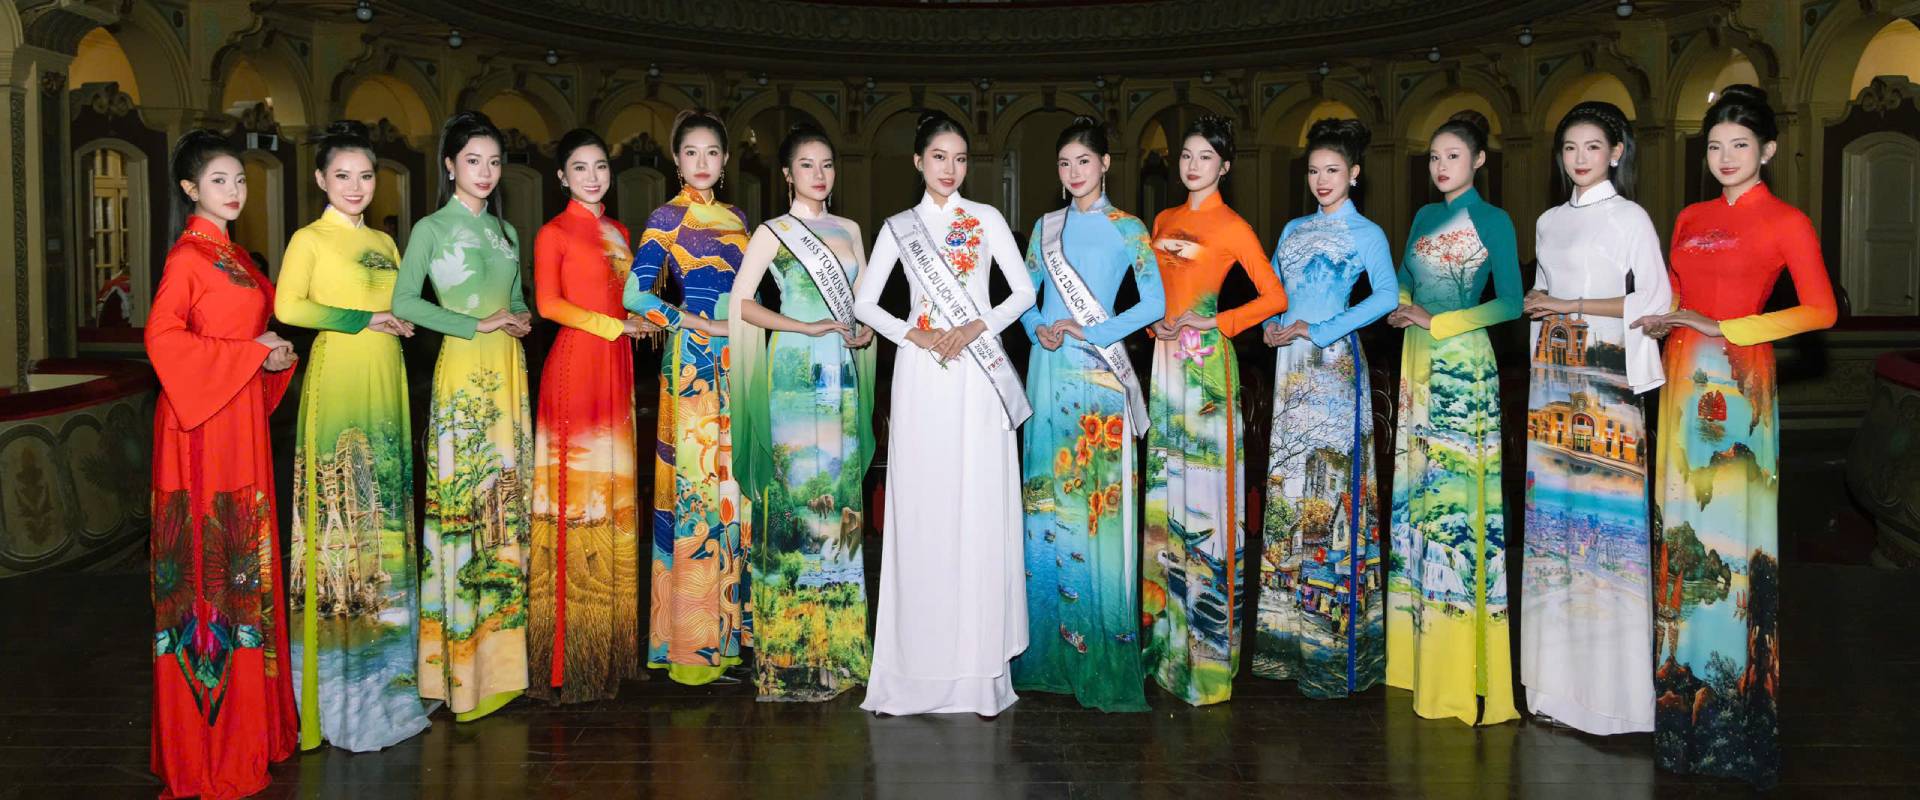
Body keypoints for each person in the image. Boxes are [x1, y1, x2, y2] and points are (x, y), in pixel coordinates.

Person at [1635, 84, 1834, 788]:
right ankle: (1677, 706)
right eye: (1715, 145)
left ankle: (1737, 717)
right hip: (1682, 374)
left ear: (1768, 150)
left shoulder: (1787, 221)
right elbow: (1677, 293)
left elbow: (1820, 310)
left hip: (1740, 379)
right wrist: (1665, 316)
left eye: (1740, 145)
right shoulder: (1689, 217)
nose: (1725, 157)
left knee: (1731, 533)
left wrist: (1729, 326)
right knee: (1681, 527)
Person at [853, 109, 1036, 717]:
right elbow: (866, 303)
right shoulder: (898, 228)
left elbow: (1023, 291)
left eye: (959, 159)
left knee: (976, 505)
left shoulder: (985, 219)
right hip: (923, 373)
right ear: (918, 161)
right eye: (939, 157)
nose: (950, 169)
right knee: (924, 507)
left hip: (977, 372)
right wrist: (917, 334)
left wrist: (977, 325)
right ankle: (914, 668)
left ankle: (977, 671)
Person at [146, 129, 298, 800]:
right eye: (219, 181)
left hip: (237, 417)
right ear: (189, 189)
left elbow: (241, 332)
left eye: (239, 179)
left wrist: (269, 354)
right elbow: (162, 339)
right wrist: (248, 352)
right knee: (211, 570)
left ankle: (252, 728)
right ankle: (208, 747)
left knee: (243, 564)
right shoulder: (188, 257)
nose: (235, 191)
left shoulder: (230, 254)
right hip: (200, 428)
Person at [276, 120, 432, 751]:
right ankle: (337, 698)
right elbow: (289, 308)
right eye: (342, 175)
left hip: (387, 379)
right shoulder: (308, 239)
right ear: (321, 179)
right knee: (341, 518)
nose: (355, 186)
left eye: (366, 176)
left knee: (386, 518)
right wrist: (364, 318)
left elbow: (401, 303)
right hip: (338, 380)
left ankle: (391, 685)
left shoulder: (386, 242)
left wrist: (405, 319)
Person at [1518, 101, 1671, 736]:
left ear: (1616, 153)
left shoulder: (1630, 217)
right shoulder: (1548, 221)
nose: (1579, 158)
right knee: (1552, 529)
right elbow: (1540, 297)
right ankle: (1555, 690)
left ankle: (1616, 701)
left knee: (1610, 527)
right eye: (1569, 148)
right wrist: (1542, 306)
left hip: (1608, 383)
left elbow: (1656, 299)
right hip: (1552, 382)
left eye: (1592, 147)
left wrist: (1568, 303)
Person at [1011, 115, 1164, 712]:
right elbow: (1024, 297)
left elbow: (1154, 302)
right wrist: (1038, 327)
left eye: (1084, 161)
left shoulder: (1129, 228)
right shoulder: (1044, 227)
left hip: (1100, 375)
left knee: (1096, 504)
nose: (1074, 172)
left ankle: (1101, 648)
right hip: (1048, 369)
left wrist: (1093, 330)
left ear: (1105, 164)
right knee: (1047, 498)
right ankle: (1045, 655)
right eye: (1064, 163)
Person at [391, 110, 535, 721]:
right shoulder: (431, 229)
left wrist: (520, 318)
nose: (485, 171)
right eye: (473, 160)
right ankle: (458, 670)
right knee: (465, 506)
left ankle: (503, 668)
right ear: (450, 165)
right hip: (464, 374)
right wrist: (476, 323)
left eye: (494, 162)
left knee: (504, 505)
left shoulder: (507, 231)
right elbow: (404, 302)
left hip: (509, 372)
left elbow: (517, 298)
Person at [726, 122, 878, 702]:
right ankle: (790, 656)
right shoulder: (773, 232)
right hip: (792, 370)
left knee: (838, 498)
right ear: (788, 174)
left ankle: (839, 648)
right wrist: (804, 325)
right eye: (807, 165)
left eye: (828, 164)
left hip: (840, 374)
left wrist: (863, 332)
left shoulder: (851, 229)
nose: (820, 174)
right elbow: (743, 303)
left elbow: (862, 303)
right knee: (796, 499)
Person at [1140, 114, 1287, 706]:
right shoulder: (1162, 220)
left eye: (1205, 156)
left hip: (1206, 366)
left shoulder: (1233, 226)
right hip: (1164, 363)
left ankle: (1205, 657)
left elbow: (1274, 296)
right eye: (1186, 155)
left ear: (1224, 166)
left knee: (1202, 497)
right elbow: (1155, 291)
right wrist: (1153, 322)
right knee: (1165, 493)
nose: (1192, 165)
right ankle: (1165, 646)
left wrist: (1218, 322)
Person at [1384, 109, 1522, 727]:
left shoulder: (1494, 220)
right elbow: (1402, 279)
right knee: (1419, 498)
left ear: (1479, 161)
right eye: (1434, 158)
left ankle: (1459, 665)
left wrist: (1438, 320)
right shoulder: (1421, 217)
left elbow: (1510, 303)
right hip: (1416, 361)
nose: (1441, 167)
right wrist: (1403, 305)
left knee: (1454, 505)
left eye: (1454, 156)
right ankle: (1417, 656)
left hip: (1462, 362)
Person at [1253, 117, 1398, 700]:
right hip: (1289, 366)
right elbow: (1273, 291)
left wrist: (1322, 328)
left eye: (1333, 170)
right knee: (1290, 488)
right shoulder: (1292, 229)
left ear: (1354, 173)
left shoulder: (1367, 232)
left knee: (1331, 481)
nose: (1322, 180)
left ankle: (1337, 653)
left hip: (1333, 362)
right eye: (1314, 171)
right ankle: (1282, 644)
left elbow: (1386, 296)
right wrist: (1270, 324)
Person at [624, 109, 752, 686]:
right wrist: (693, 323)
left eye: (712, 152)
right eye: (691, 152)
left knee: (733, 491)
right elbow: (635, 295)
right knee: (697, 493)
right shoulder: (666, 217)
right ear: (676, 160)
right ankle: (691, 650)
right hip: (694, 363)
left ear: (725, 161)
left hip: (739, 358)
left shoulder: (739, 219)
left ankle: (729, 640)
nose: (702, 162)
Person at [528, 128, 653, 703]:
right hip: (576, 366)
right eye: (580, 168)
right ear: (562, 177)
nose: (593, 176)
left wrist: (646, 320)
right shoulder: (553, 232)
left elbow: (629, 297)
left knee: (615, 497)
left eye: (600, 166)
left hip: (617, 366)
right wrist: (615, 326)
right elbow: (548, 304)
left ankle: (612, 652)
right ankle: (566, 661)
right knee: (577, 502)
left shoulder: (620, 232)